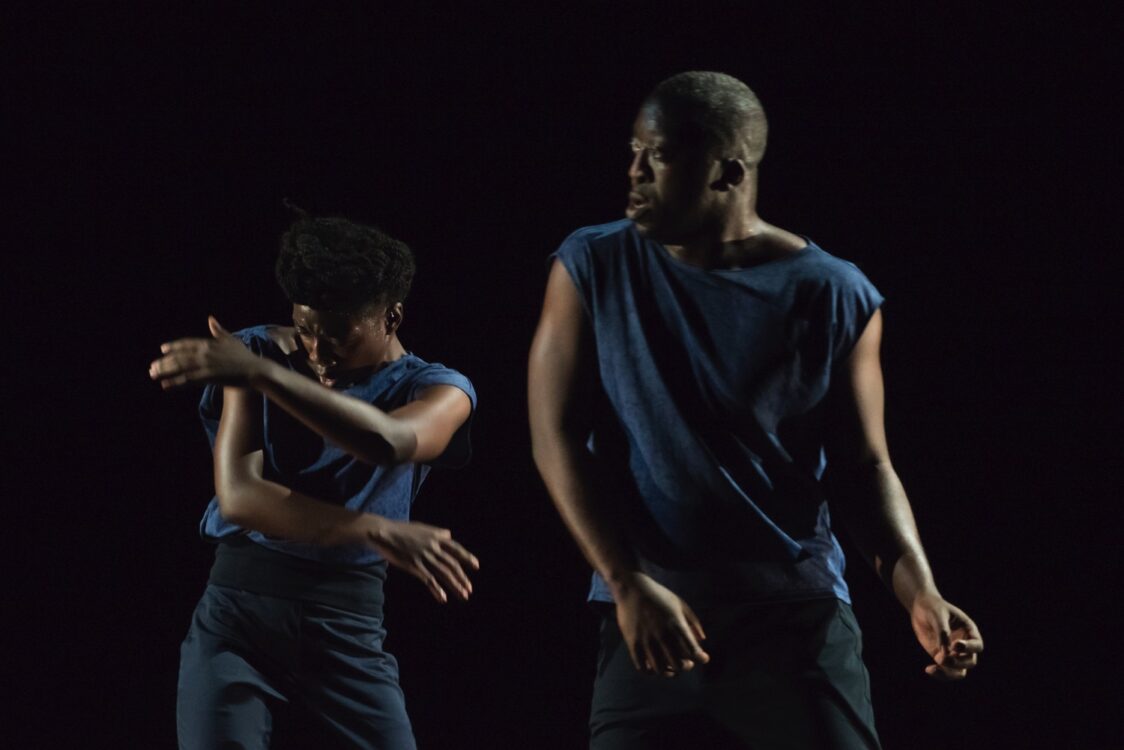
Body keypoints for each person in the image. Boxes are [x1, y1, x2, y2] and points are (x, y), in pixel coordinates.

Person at [528, 71, 983, 749]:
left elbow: (866, 465)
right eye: (633, 151)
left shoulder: (834, 293)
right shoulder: (591, 264)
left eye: (657, 156)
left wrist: (920, 591)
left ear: (727, 171)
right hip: (654, 612)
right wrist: (625, 583)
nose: (634, 172)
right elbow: (553, 435)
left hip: (795, 619)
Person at [149, 214, 479, 750]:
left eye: (339, 335)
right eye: (305, 330)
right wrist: (373, 529)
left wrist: (265, 377)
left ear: (391, 317)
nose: (319, 352)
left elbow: (391, 442)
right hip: (238, 614)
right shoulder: (256, 354)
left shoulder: (439, 387)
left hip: (347, 624)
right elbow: (241, 497)